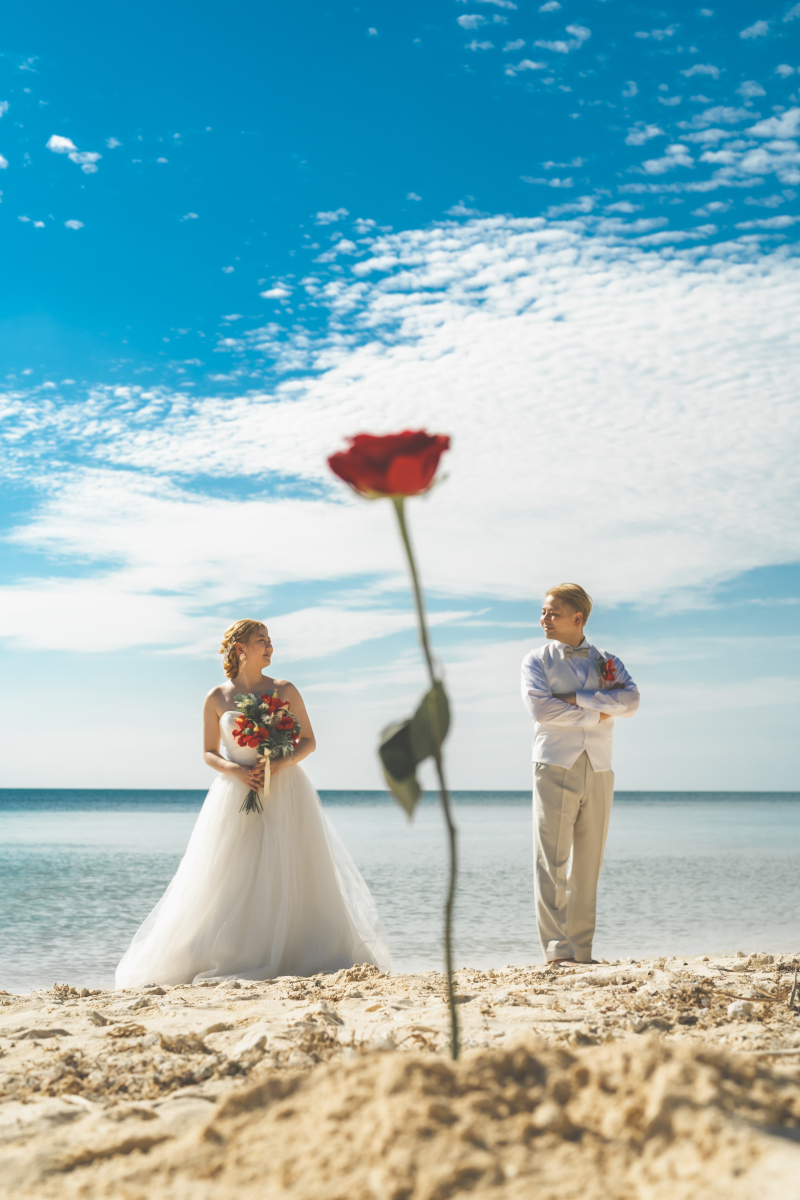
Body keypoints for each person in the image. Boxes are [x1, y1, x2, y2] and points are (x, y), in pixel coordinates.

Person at [116, 619, 390, 987]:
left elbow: (308, 741)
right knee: (229, 873)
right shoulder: (216, 697)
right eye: (262, 641)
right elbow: (209, 753)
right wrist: (238, 772)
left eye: (271, 641)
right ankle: (232, 952)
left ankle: (295, 948)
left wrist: (279, 763)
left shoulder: (285, 689)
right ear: (241, 648)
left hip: (286, 788)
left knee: (290, 867)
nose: (270, 647)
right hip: (235, 790)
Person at [520, 584, 639, 967]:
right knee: (551, 860)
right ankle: (557, 952)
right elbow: (542, 710)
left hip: (600, 766)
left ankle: (582, 952)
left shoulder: (608, 660)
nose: (544, 619)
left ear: (578, 618)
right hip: (554, 762)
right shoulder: (535, 661)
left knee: (590, 862)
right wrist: (598, 711)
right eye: (543, 612)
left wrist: (575, 699)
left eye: (552, 613)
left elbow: (631, 701)